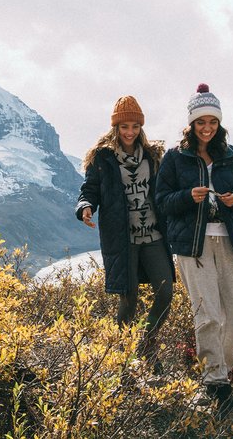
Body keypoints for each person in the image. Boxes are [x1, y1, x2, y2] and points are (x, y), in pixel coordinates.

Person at [155, 83, 233, 418]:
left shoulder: (231, 154)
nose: (207, 128)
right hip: (192, 246)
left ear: (219, 123)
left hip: (229, 240)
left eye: (212, 122)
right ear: (191, 124)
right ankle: (218, 383)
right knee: (209, 314)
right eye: (201, 122)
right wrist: (187, 197)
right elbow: (162, 202)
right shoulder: (175, 157)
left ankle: (216, 375)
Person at [75, 96, 174, 369]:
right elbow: (90, 189)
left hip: (154, 235)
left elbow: (165, 188)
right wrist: (85, 206)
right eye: (123, 127)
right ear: (115, 128)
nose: (129, 132)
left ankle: (147, 343)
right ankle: (122, 360)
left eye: (134, 126)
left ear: (141, 127)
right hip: (122, 238)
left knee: (165, 292)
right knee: (128, 298)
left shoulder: (154, 156)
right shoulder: (102, 158)